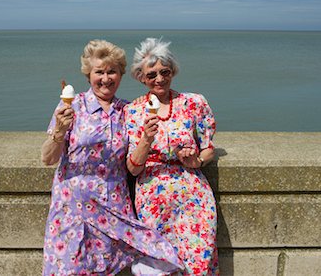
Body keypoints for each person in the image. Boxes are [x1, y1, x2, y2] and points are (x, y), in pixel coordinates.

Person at [41, 39, 181, 275]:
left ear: (121, 75)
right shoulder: (72, 107)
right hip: (74, 209)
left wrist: (147, 137)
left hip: (114, 211)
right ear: (89, 75)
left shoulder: (128, 110)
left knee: (155, 258)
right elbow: (47, 158)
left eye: (112, 72)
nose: (106, 79)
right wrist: (59, 131)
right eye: (99, 72)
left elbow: (133, 163)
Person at [125, 37, 220, 275]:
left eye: (164, 72)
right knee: (160, 266)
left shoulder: (194, 103)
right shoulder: (132, 111)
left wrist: (196, 160)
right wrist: (146, 139)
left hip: (193, 195)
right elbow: (133, 168)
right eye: (151, 75)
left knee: (199, 259)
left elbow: (209, 147)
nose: (159, 79)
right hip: (153, 198)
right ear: (141, 77)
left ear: (172, 71)